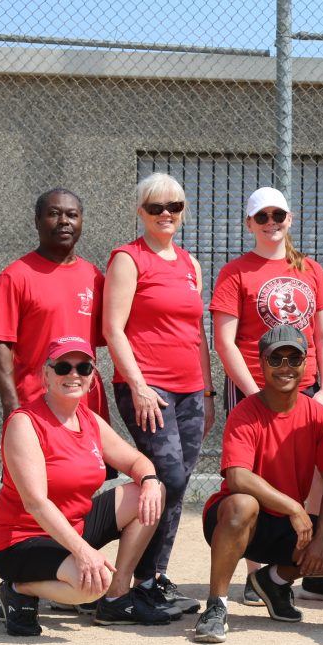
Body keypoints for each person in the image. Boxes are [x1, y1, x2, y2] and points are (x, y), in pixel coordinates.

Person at [210, 186, 323, 606]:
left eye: (278, 215)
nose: (271, 223)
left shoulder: (309, 268)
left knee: (317, 476)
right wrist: (256, 394)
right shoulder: (235, 272)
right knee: (257, 476)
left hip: (303, 386)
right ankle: (255, 573)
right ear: (249, 224)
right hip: (255, 386)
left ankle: (313, 568)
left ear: (289, 219)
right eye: (262, 217)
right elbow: (225, 341)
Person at [0, 336, 170, 636]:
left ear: (92, 377)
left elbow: (137, 462)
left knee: (153, 491)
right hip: (20, 539)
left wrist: (149, 481)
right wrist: (84, 552)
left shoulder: (90, 420)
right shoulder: (25, 423)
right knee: (91, 586)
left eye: (83, 368)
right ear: (46, 375)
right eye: (63, 367)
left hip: (71, 529)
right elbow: (36, 503)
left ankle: (118, 597)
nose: (73, 375)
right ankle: (16, 589)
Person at [192, 324, 323, 644]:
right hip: (235, 521)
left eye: (294, 359)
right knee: (244, 503)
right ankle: (216, 606)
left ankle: (273, 581)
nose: (285, 367)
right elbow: (237, 477)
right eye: (275, 359)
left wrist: (322, 536)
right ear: (262, 363)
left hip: (285, 526)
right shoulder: (245, 411)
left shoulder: (317, 415)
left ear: (305, 364)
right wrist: (294, 507)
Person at [104, 172, 214, 617]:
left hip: (190, 391)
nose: (166, 214)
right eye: (156, 207)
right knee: (165, 477)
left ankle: (154, 579)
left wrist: (208, 393)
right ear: (141, 212)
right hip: (149, 388)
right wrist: (139, 386)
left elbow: (198, 333)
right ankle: (127, 584)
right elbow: (113, 329)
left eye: (174, 207)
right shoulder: (128, 258)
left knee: (178, 483)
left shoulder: (190, 264)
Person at [0, 188, 108, 423]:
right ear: (37, 221)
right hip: (36, 405)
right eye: (54, 213)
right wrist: (11, 405)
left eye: (72, 215)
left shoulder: (94, 277)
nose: (64, 221)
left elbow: (111, 336)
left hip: (87, 406)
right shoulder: (14, 277)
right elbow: (0, 344)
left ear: (81, 221)